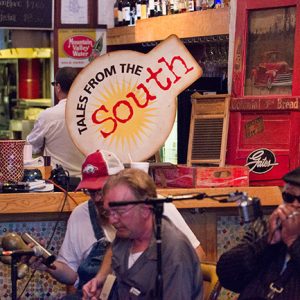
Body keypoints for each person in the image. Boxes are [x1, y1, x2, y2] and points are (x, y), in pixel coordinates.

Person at [28, 150, 205, 298]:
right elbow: (113, 249)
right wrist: (100, 278)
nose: (97, 198)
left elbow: (195, 257)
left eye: (101, 190)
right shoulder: (123, 231)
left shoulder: (168, 240)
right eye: (90, 191)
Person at [84, 168, 203, 300]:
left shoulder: (173, 250)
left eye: (119, 211)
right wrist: (100, 282)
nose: (112, 220)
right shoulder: (126, 235)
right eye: (108, 212)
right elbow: (114, 252)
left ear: (146, 210)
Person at [216, 167, 300, 299]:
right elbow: (228, 276)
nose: (294, 205)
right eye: (288, 197)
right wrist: (268, 242)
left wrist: (293, 241)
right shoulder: (265, 229)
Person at [27, 67, 85, 177]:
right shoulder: (91, 114)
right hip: (85, 182)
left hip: (57, 183)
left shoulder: (47, 116)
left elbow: (31, 147)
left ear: (58, 87)